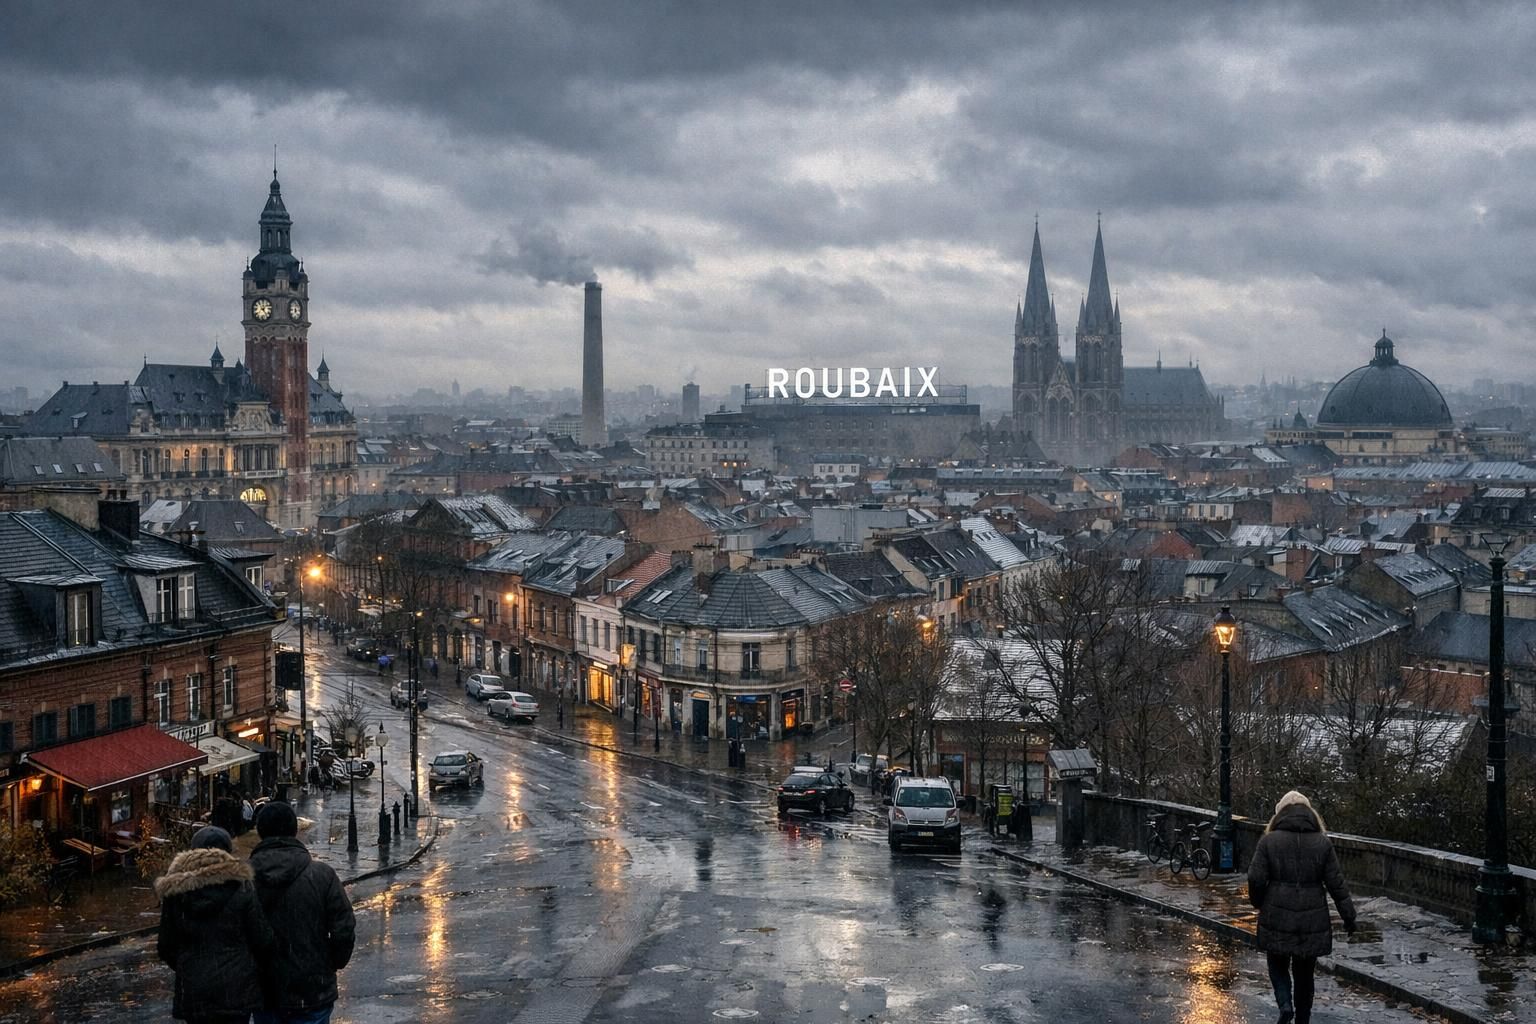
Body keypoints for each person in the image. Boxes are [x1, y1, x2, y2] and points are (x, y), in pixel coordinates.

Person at [1247, 790, 1357, 1024]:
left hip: (1277, 914)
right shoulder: (1322, 843)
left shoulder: (1269, 841)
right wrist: (1349, 916)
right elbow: (1337, 884)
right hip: (1311, 918)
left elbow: (1255, 878)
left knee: (1277, 964)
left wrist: (1259, 902)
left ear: (1280, 814)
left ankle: (1285, 1004)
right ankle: (1303, 1019)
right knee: (1305, 973)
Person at [155, 825, 276, 1024]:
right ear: (227, 852)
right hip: (236, 990)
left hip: (195, 990)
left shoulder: (175, 893)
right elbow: (262, 939)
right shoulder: (242, 888)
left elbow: (166, 946)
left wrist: (190, 966)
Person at [250, 802, 356, 1024]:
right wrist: (329, 963)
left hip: (264, 989)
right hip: (312, 990)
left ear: (260, 831)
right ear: (294, 830)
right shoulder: (322, 875)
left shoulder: (244, 879)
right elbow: (343, 928)